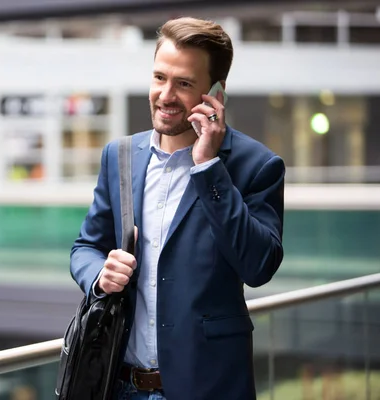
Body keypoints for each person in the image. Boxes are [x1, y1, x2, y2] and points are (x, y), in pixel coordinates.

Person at [70, 16, 285, 400]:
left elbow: (259, 267)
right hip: (121, 387)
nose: (165, 95)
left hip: (209, 389)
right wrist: (100, 275)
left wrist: (208, 168)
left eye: (183, 83)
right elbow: (84, 248)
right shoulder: (120, 157)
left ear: (216, 92)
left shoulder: (256, 166)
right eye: (159, 78)